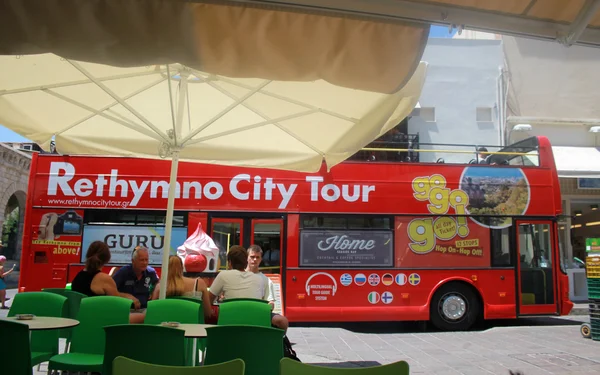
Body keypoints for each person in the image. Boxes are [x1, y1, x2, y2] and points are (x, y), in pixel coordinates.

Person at [71, 241, 145, 323]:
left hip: (80, 321)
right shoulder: (104, 279)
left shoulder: (78, 276)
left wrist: (126, 295)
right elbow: (118, 306)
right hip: (101, 321)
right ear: (107, 259)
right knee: (145, 316)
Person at [151, 255, 213, 320]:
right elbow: (208, 313)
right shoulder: (199, 283)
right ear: (182, 267)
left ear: (165, 268)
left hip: (167, 327)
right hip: (193, 326)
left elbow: (152, 312)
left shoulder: (160, 287)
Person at [246, 244, 289, 333]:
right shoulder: (239, 275)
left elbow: (271, 303)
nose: (255, 259)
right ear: (247, 258)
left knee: (282, 321)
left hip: (259, 312)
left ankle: (279, 344)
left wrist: (266, 308)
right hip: (241, 310)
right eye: (252, 257)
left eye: (257, 257)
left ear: (261, 259)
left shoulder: (266, 280)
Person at [112, 246, 159, 310]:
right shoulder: (123, 272)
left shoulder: (151, 272)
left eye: (146, 260)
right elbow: (110, 292)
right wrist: (127, 296)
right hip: (125, 310)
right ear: (133, 261)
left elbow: (158, 284)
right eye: (141, 260)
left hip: (145, 310)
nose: (145, 263)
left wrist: (154, 294)